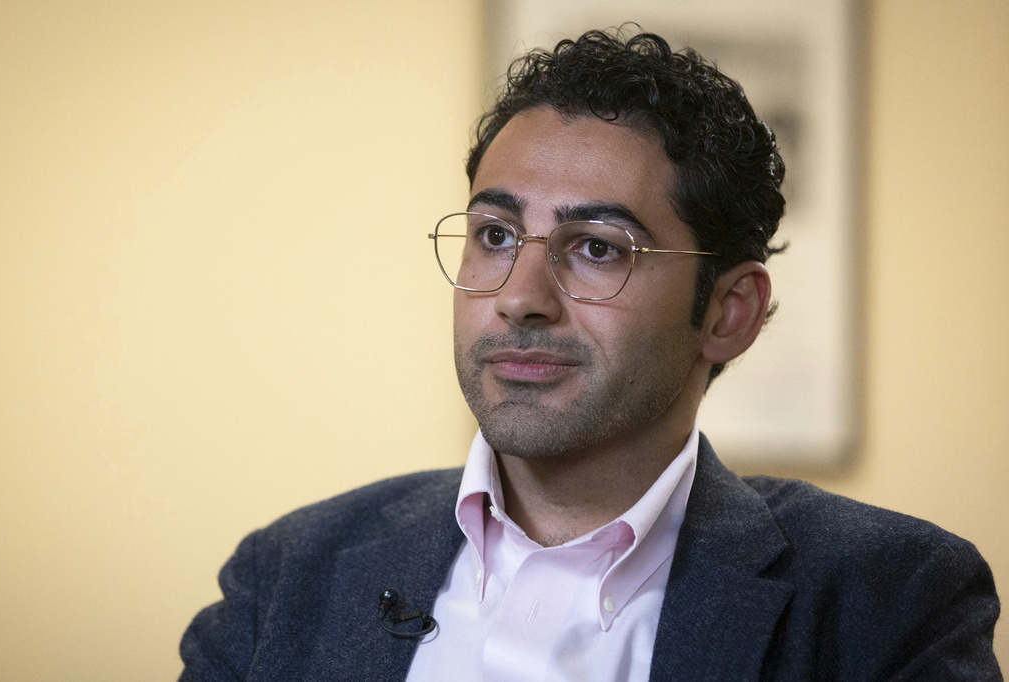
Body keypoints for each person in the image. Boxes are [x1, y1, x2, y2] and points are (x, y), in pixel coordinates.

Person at [179, 28, 1001, 681]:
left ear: (728, 312)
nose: (520, 294)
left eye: (598, 248)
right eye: (495, 236)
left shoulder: (889, 600)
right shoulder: (285, 578)